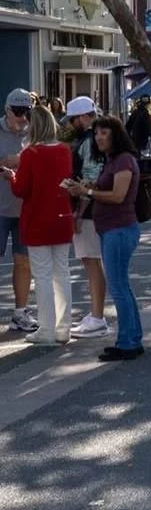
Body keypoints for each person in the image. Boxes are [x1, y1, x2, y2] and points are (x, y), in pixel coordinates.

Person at [64, 117, 143, 361]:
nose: (99, 137)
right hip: (112, 229)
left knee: (119, 288)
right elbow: (105, 189)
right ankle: (131, 338)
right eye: (97, 133)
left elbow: (118, 196)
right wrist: (88, 185)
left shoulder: (123, 160)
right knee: (122, 287)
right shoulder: (112, 160)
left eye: (104, 133)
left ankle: (128, 342)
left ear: (115, 134)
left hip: (119, 229)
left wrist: (87, 191)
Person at [2, 104, 74, 346]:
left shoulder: (32, 154)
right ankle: (63, 328)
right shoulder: (64, 150)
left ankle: (47, 328)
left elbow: (21, 189)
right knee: (61, 274)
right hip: (62, 218)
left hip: (37, 220)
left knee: (42, 276)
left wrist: (11, 176)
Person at [64, 95, 109, 337]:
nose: (71, 125)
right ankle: (96, 313)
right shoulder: (99, 137)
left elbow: (88, 176)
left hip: (90, 209)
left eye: (72, 120)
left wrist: (78, 213)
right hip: (97, 207)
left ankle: (98, 316)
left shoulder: (88, 142)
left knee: (91, 261)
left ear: (82, 117)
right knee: (92, 261)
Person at [0, 88, 34, 333]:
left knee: (23, 263)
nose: (23, 117)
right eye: (18, 112)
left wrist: (22, 161)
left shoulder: (34, 132)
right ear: (7, 110)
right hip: (0, 209)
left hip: (25, 209)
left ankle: (20, 313)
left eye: (27, 112)